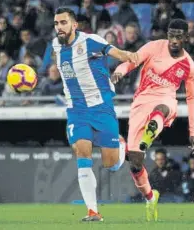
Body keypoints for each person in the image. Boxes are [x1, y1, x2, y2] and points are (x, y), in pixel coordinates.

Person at [52, 7, 138, 222]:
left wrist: (132, 56)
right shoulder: (56, 45)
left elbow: (118, 54)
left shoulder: (91, 41)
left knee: (111, 164)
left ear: (74, 25)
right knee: (83, 153)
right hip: (76, 110)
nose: (59, 27)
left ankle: (120, 144)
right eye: (56, 23)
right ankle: (93, 211)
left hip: (101, 107)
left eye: (63, 23)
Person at [112, 19, 194, 221]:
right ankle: (151, 198)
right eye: (172, 35)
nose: (174, 40)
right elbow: (133, 60)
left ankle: (148, 136)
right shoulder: (154, 46)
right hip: (141, 102)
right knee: (135, 162)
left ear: (186, 37)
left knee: (161, 110)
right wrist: (119, 71)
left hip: (166, 100)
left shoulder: (189, 66)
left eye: (179, 36)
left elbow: (192, 99)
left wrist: (193, 132)